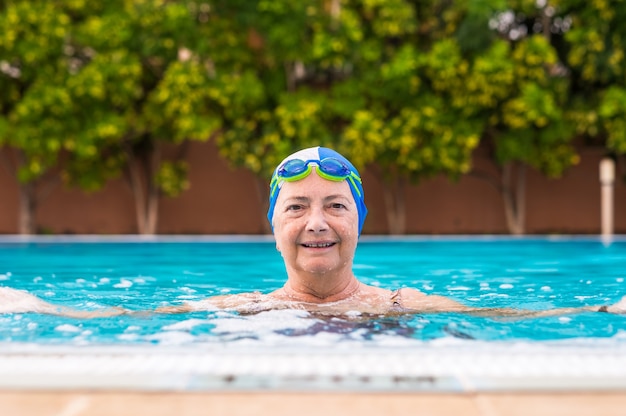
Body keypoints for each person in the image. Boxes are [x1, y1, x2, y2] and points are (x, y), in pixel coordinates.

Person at [1, 146, 625, 317]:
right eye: (296, 206)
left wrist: (606, 305)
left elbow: (506, 318)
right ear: (273, 224)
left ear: (360, 223)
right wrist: (34, 306)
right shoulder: (240, 310)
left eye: (335, 206)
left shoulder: (402, 306)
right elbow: (129, 320)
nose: (317, 223)